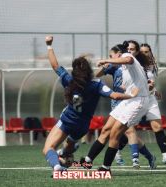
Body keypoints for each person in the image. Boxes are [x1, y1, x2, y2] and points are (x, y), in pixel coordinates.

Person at [42, 36, 139, 172]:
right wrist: (132, 95)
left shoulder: (69, 80)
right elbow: (115, 95)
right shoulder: (96, 84)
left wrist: (49, 45)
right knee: (69, 144)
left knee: (48, 148)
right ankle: (66, 152)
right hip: (83, 126)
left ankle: (57, 166)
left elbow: (55, 66)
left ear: (75, 71)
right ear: (89, 71)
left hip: (67, 121)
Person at [82, 44, 156, 169]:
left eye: (111, 56)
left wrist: (106, 60)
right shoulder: (120, 67)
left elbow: (128, 59)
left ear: (119, 54)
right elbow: (98, 75)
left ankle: (107, 167)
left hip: (137, 102)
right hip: (126, 100)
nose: (110, 58)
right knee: (106, 129)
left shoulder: (126, 57)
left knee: (116, 133)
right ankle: (88, 161)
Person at [139, 42, 166, 165]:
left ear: (150, 53)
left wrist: (154, 91)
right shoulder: (135, 65)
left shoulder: (153, 66)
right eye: (142, 51)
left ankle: (165, 156)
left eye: (146, 51)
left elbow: (151, 83)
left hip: (150, 99)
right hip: (137, 100)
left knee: (158, 127)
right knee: (128, 128)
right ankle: (117, 152)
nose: (144, 53)